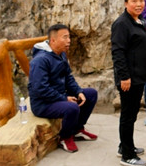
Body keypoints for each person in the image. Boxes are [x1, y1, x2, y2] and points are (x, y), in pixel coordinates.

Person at [28, 24, 99, 153]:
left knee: (90, 94)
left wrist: (78, 92)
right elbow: (40, 88)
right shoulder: (40, 60)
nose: (69, 40)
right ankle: (65, 137)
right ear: (53, 40)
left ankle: (77, 129)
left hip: (58, 96)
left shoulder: (61, 55)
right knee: (72, 107)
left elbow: (68, 78)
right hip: (42, 103)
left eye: (69, 37)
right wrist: (64, 98)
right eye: (65, 37)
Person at [111, 0, 146, 166]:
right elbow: (118, 52)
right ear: (126, 3)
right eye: (134, 1)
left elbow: (143, 47)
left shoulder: (140, 20)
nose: (138, 4)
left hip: (139, 74)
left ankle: (125, 145)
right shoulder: (122, 24)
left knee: (132, 112)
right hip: (128, 78)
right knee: (128, 115)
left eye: (141, 1)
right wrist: (124, 77)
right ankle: (127, 155)